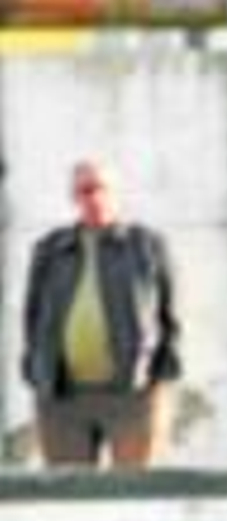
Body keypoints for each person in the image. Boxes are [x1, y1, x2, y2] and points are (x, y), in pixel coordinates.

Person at [20, 160, 181, 469]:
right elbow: (33, 317)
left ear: (114, 193)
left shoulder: (145, 246)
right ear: (74, 197)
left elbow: (170, 317)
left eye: (99, 188)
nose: (93, 197)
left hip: (131, 394)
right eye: (84, 190)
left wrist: (158, 377)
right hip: (62, 397)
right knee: (67, 497)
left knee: (134, 495)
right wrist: (37, 370)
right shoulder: (50, 249)